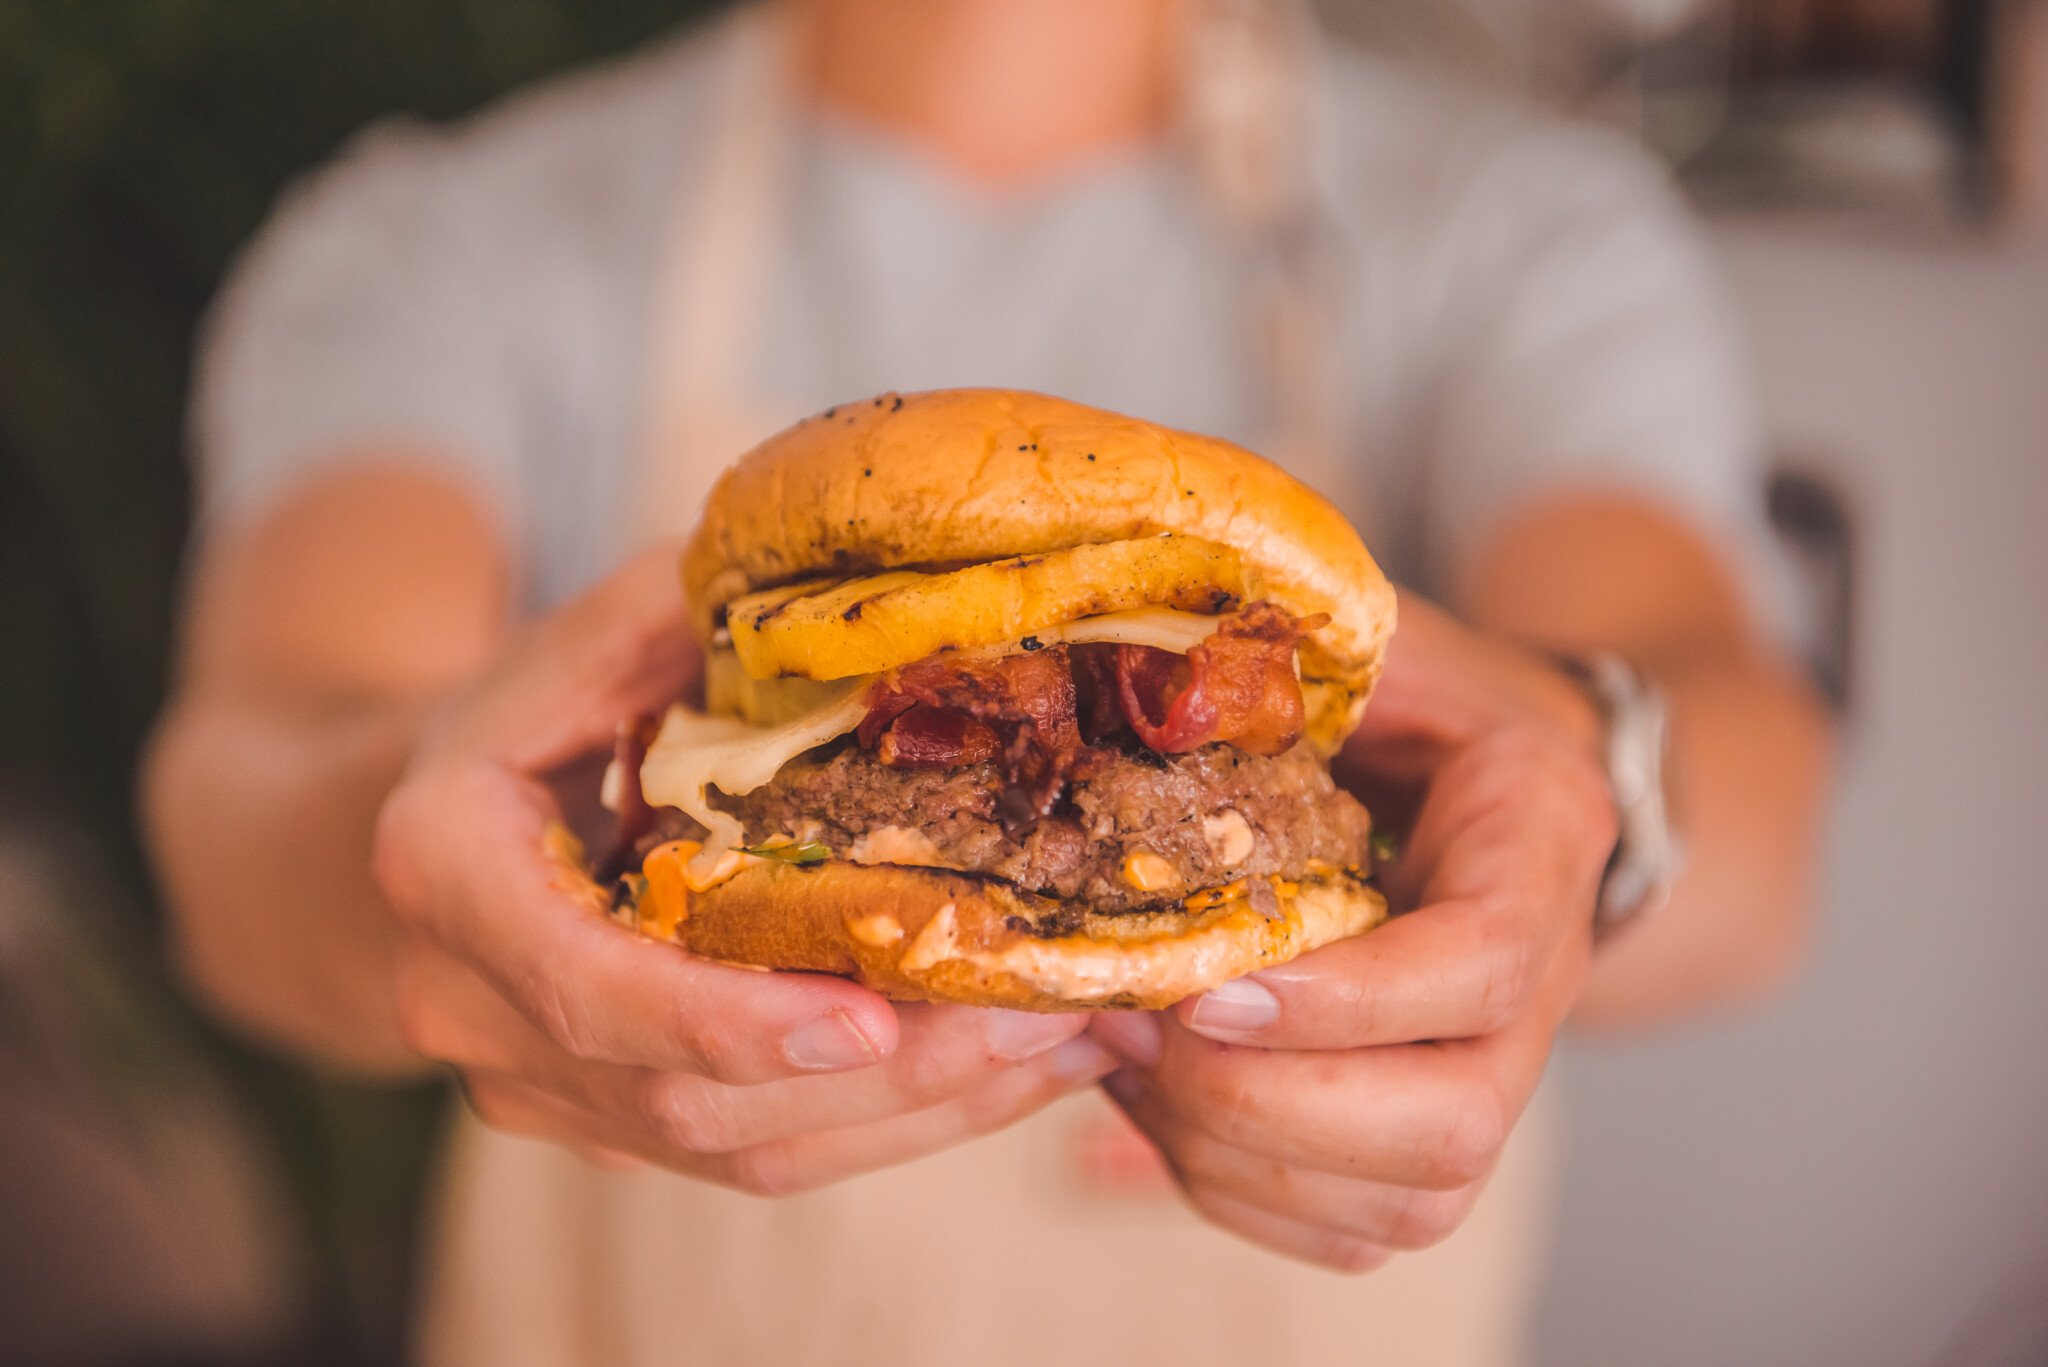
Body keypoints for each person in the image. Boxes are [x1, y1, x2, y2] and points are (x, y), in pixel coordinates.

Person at [142, 0, 1833, 1363]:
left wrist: (1574, 774)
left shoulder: (1518, 234)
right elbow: (236, 813)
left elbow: (1757, 842)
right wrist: (430, 859)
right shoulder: (454, 234)